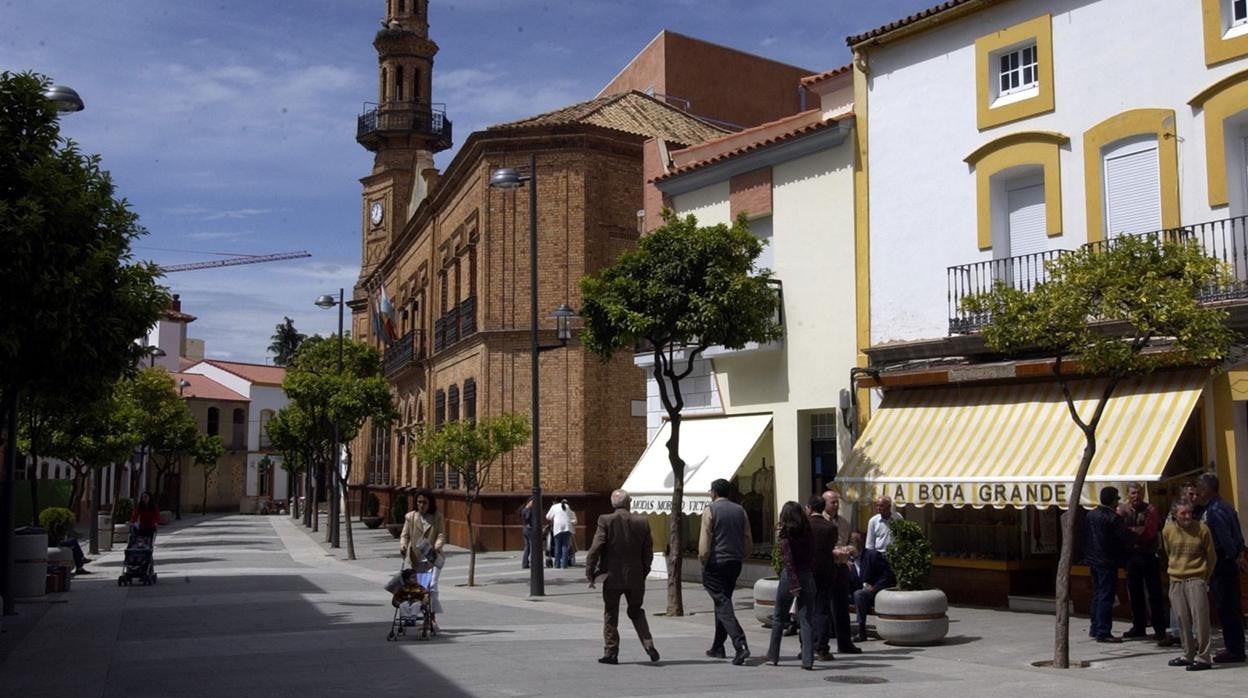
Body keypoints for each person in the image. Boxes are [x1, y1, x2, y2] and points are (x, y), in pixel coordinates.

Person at [584, 489, 660, 665]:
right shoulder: (642, 521)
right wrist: (644, 571)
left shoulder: (606, 520)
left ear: (613, 504)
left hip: (612, 577)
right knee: (636, 611)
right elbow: (648, 551)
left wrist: (590, 573)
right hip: (636, 577)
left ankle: (611, 653)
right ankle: (648, 645)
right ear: (629, 503)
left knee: (611, 613)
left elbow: (595, 548)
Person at [1194, 473, 1247, 663]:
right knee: (1230, 606)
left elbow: (1225, 539)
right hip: (1228, 560)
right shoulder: (1225, 506)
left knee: (1226, 607)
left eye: (1199, 488)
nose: (1197, 492)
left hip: (1222, 562)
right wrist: (1239, 553)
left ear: (1207, 489)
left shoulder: (1214, 511)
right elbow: (1238, 535)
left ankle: (1235, 649)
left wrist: (1233, 555)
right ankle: (1234, 645)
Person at [698, 478, 752, 665]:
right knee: (723, 601)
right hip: (734, 562)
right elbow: (747, 537)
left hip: (716, 562)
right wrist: (743, 555)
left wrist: (703, 559)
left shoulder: (710, 509)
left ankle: (740, 644)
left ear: (714, 492)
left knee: (722, 603)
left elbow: (705, 538)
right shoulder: (740, 510)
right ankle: (718, 647)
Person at [1161, 501, 1217, 671]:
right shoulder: (1168, 530)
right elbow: (1168, 552)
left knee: (1200, 619)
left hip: (1196, 578)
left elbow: (1211, 556)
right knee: (1182, 619)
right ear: (1174, 515)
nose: (1187, 516)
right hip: (1176, 579)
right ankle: (1188, 654)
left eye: (1189, 513)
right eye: (1183, 513)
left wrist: (1204, 577)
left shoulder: (1202, 529)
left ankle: (1204, 657)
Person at [767, 501, 817, 670]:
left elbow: (788, 561)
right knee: (806, 620)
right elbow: (811, 557)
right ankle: (808, 659)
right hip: (807, 575)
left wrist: (794, 584)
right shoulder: (808, 532)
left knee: (779, 617)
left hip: (790, 577)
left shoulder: (786, 535)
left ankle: (773, 656)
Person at [1086, 486, 1131, 643]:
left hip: (1093, 560)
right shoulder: (1112, 518)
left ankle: (1095, 627)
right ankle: (1103, 631)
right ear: (1113, 500)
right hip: (1107, 561)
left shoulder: (1091, 515)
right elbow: (1124, 537)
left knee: (1098, 593)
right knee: (1106, 595)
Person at [820, 489, 862, 656]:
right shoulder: (820, 521)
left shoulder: (844, 522)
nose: (836, 505)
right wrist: (834, 551)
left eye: (837, 502)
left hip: (842, 567)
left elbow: (853, 543)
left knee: (841, 607)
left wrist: (849, 549)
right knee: (823, 607)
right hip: (826, 568)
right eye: (833, 502)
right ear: (825, 504)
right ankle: (822, 644)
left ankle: (845, 643)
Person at [1122, 483, 1166, 642]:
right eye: (1133, 493)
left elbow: (1149, 532)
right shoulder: (1123, 510)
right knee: (1134, 593)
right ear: (1127, 494)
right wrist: (1134, 532)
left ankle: (1159, 629)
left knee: (1154, 593)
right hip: (1132, 557)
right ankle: (1138, 626)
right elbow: (1120, 532)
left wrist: (1131, 532)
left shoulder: (1151, 510)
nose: (1136, 496)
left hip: (1148, 556)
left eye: (1138, 493)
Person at [400, 489, 446, 629]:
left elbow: (441, 534)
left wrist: (437, 546)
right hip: (416, 559)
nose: (421, 505)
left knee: (431, 587)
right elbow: (405, 535)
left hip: (432, 558)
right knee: (420, 589)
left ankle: (432, 619)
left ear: (430, 503)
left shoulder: (437, 517)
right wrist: (403, 545)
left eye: (424, 502)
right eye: (419, 502)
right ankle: (424, 617)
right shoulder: (411, 517)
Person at [805, 495, 837, 662]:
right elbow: (831, 547)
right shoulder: (830, 527)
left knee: (805, 610)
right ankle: (822, 648)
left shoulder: (803, 526)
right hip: (825, 571)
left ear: (809, 507)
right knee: (822, 610)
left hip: (807, 571)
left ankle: (806, 647)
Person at [849, 531, 894, 642]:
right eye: (852, 542)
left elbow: (887, 574)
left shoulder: (872, 555)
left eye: (857, 542)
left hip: (871, 594)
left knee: (859, 594)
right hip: (852, 594)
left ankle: (861, 631)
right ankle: (832, 629)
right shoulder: (848, 561)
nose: (853, 545)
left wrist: (874, 587)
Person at [546, 497, 577, 569]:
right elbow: (572, 516)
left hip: (558, 528)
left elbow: (548, 517)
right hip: (567, 527)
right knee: (565, 546)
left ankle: (557, 564)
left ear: (556, 502)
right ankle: (564, 565)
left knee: (557, 546)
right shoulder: (567, 506)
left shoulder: (554, 506)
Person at [520, 498, 535, 569]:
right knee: (533, 546)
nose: (533, 504)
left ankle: (525, 563)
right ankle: (533, 563)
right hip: (529, 529)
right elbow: (527, 517)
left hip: (524, 529)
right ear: (529, 502)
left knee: (527, 547)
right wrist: (529, 523)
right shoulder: (529, 510)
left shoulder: (523, 509)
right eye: (532, 502)